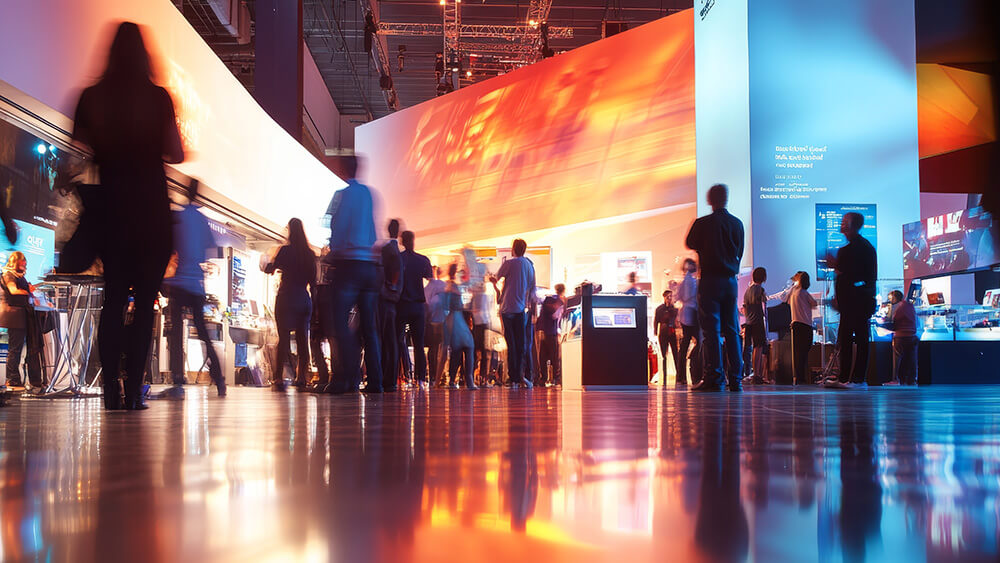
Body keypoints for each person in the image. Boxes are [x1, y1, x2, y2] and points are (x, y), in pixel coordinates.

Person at [72, 22, 184, 410]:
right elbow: (176, 153)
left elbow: (74, 158)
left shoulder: (91, 97)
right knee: (147, 301)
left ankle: (109, 393)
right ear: (143, 55)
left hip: (113, 211)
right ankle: (134, 390)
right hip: (150, 210)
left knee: (114, 298)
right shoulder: (158, 98)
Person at [161, 180, 226, 398]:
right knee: (204, 335)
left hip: (180, 283)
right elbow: (208, 251)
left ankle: (178, 380)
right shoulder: (203, 221)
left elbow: (172, 246)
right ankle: (219, 380)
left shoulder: (178, 217)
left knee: (176, 332)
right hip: (197, 285)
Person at [324, 156, 383, 394]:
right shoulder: (370, 194)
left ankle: (346, 377)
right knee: (369, 327)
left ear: (343, 170)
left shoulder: (341, 195)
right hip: (369, 266)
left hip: (349, 264)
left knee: (338, 321)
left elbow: (336, 226)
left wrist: (333, 251)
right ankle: (376, 381)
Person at [685, 184, 745, 392]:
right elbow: (740, 250)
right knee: (732, 330)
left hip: (710, 280)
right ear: (727, 199)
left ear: (709, 199)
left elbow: (689, 242)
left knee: (711, 330)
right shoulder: (737, 224)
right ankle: (736, 379)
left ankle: (715, 378)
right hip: (730, 281)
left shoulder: (703, 223)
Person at [825, 212, 877, 389]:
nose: (841, 225)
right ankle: (846, 377)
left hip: (858, 302)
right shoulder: (856, 248)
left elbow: (860, 276)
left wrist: (838, 267)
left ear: (853, 225)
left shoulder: (861, 248)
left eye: (844, 222)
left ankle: (857, 379)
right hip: (851, 302)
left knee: (859, 339)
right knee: (846, 338)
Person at [263, 218, 316, 391]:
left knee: (283, 338)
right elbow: (313, 283)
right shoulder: (309, 254)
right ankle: (301, 377)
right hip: (303, 297)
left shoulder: (284, 251)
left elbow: (269, 268)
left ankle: (278, 377)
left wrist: (271, 260)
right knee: (302, 339)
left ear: (290, 231)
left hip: (286, 297)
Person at [490, 239, 536, 389]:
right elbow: (532, 288)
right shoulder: (529, 266)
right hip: (521, 309)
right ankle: (521, 376)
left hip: (507, 309)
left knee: (511, 345)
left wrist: (492, 280)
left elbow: (496, 277)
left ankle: (514, 379)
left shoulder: (509, 263)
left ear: (513, 249)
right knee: (521, 344)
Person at [0, 252, 43, 391]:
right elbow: (13, 291)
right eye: (22, 262)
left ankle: (15, 379)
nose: (24, 264)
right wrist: (26, 292)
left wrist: (29, 290)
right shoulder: (9, 275)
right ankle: (12, 379)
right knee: (15, 348)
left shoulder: (17, 275)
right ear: (15, 262)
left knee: (18, 348)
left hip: (21, 314)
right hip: (15, 315)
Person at [397, 231, 434, 390]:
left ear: (402, 242)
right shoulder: (423, 260)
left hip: (402, 304)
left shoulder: (399, 259)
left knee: (399, 340)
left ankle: (404, 374)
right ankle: (421, 378)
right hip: (418, 306)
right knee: (419, 344)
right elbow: (429, 278)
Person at [773, 271, 817, 385]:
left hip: (796, 324)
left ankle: (798, 377)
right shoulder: (804, 293)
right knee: (803, 352)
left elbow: (784, 299)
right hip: (805, 325)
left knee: (798, 352)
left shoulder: (794, 291)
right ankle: (801, 377)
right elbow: (814, 304)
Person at [442, 263, 478, 390]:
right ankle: (468, 380)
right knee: (467, 347)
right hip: (456, 319)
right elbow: (454, 305)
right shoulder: (453, 287)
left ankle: (454, 379)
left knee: (458, 350)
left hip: (454, 319)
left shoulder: (450, 286)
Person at [378, 219, 403, 392]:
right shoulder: (396, 251)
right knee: (391, 340)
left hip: (386, 298)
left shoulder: (388, 250)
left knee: (385, 338)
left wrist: (389, 286)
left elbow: (393, 270)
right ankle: (390, 379)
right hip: (394, 299)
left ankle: (386, 378)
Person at [676, 258, 700, 385]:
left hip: (686, 314)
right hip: (692, 313)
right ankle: (693, 371)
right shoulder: (693, 281)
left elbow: (679, 297)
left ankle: (681, 376)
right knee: (698, 342)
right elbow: (686, 296)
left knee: (685, 345)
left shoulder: (685, 282)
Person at [742, 267, 768, 385]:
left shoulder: (748, 291)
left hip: (749, 322)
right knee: (759, 347)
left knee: (753, 348)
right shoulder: (760, 290)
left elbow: (745, 307)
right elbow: (764, 306)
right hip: (757, 322)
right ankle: (757, 374)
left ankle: (755, 374)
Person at [887, 290, 918, 386]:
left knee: (898, 359)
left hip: (900, 336)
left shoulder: (898, 307)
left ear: (894, 297)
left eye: (890, 299)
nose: (890, 301)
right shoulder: (909, 305)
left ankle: (897, 380)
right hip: (912, 336)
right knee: (910, 359)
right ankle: (911, 380)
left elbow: (894, 322)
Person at [537, 284, 566, 386]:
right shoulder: (555, 300)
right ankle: (554, 378)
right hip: (550, 331)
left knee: (544, 356)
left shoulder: (549, 299)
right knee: (553, 356)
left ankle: (544, 378)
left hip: (546, 331)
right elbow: (554, 316)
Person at [424, 266, 447, 386]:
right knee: (440, 349)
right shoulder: (441, 285)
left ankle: (433, 375)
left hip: (432, 322)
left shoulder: (427, 289)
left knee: (433, 349)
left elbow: (427, 307)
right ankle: (438, 374)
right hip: (442, 321)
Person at [654, 289, 679, 385]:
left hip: (672, 332)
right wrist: (656, 331)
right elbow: (656, 320)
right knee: (664, 354)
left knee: (675, 353)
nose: (669, 299)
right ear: (664, 297)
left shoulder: (674, 309)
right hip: (663, 332)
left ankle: (679, 374)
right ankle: (664, 375)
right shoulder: (659, 309)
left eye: (670, 297)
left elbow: (676, 320)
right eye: (667, 297)